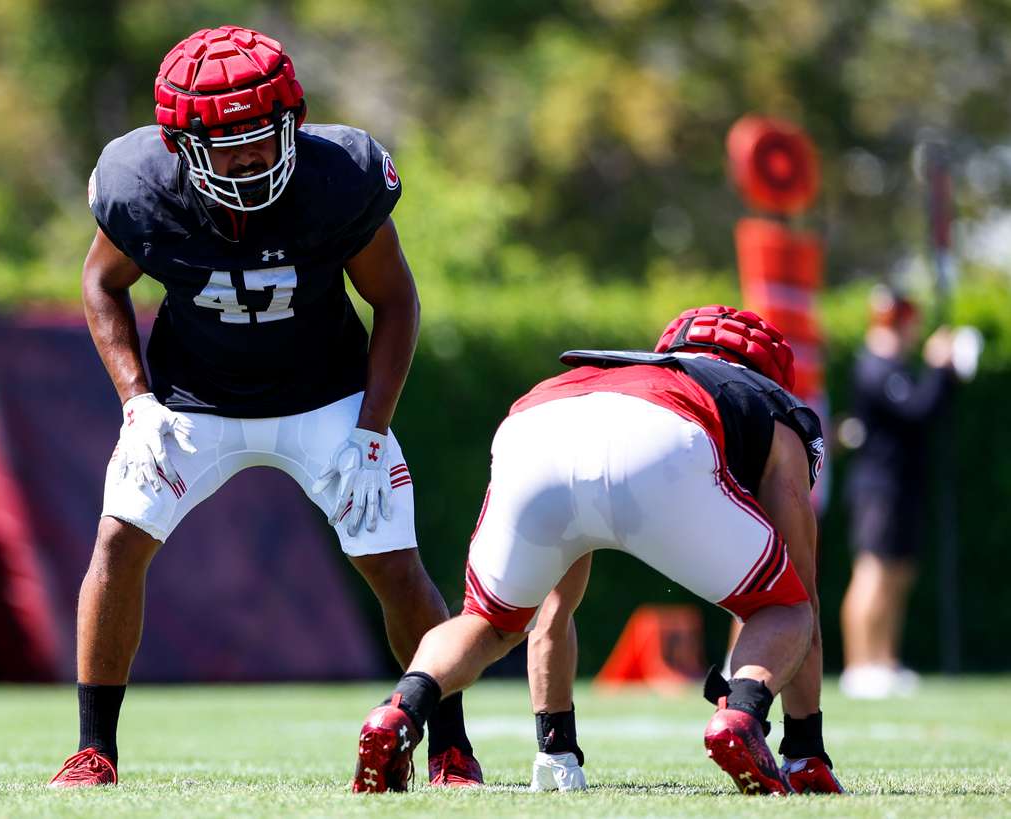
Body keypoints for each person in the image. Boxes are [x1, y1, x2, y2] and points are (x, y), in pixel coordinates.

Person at [48, 25, 480, 787]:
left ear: (294, 121)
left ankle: (450, 745)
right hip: (190, 403)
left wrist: (373, 431)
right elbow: (101, 282)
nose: (249, 156)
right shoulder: (139, 184)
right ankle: (93, 748)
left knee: (393, 562)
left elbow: (396, 301)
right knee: (118, 541)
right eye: (226, 144)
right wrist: (136, 401)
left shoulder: (338, 178)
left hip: (329, 398)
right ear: (180, 147)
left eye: (262, 134)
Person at [351, 306, 844, 795]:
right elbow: (801, 593)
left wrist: (556, 751)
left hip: (537, 421)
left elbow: (554, 612)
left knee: (487, 622)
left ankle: (398, 711)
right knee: (786, 605)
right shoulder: (771, 405)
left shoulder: (623, 369)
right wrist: (806, 750)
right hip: (667, 432)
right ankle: (742, 719)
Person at [839, 287, 957, 699]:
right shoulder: (877, 365)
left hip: (903, 484)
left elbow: (930, 412)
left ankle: (884, 662)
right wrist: (939, 369)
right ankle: (860, 665)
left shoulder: (896, 366)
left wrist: (944, 375)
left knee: (899, 574)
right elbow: (915, 410)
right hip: (880, 486)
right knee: (873, 570)